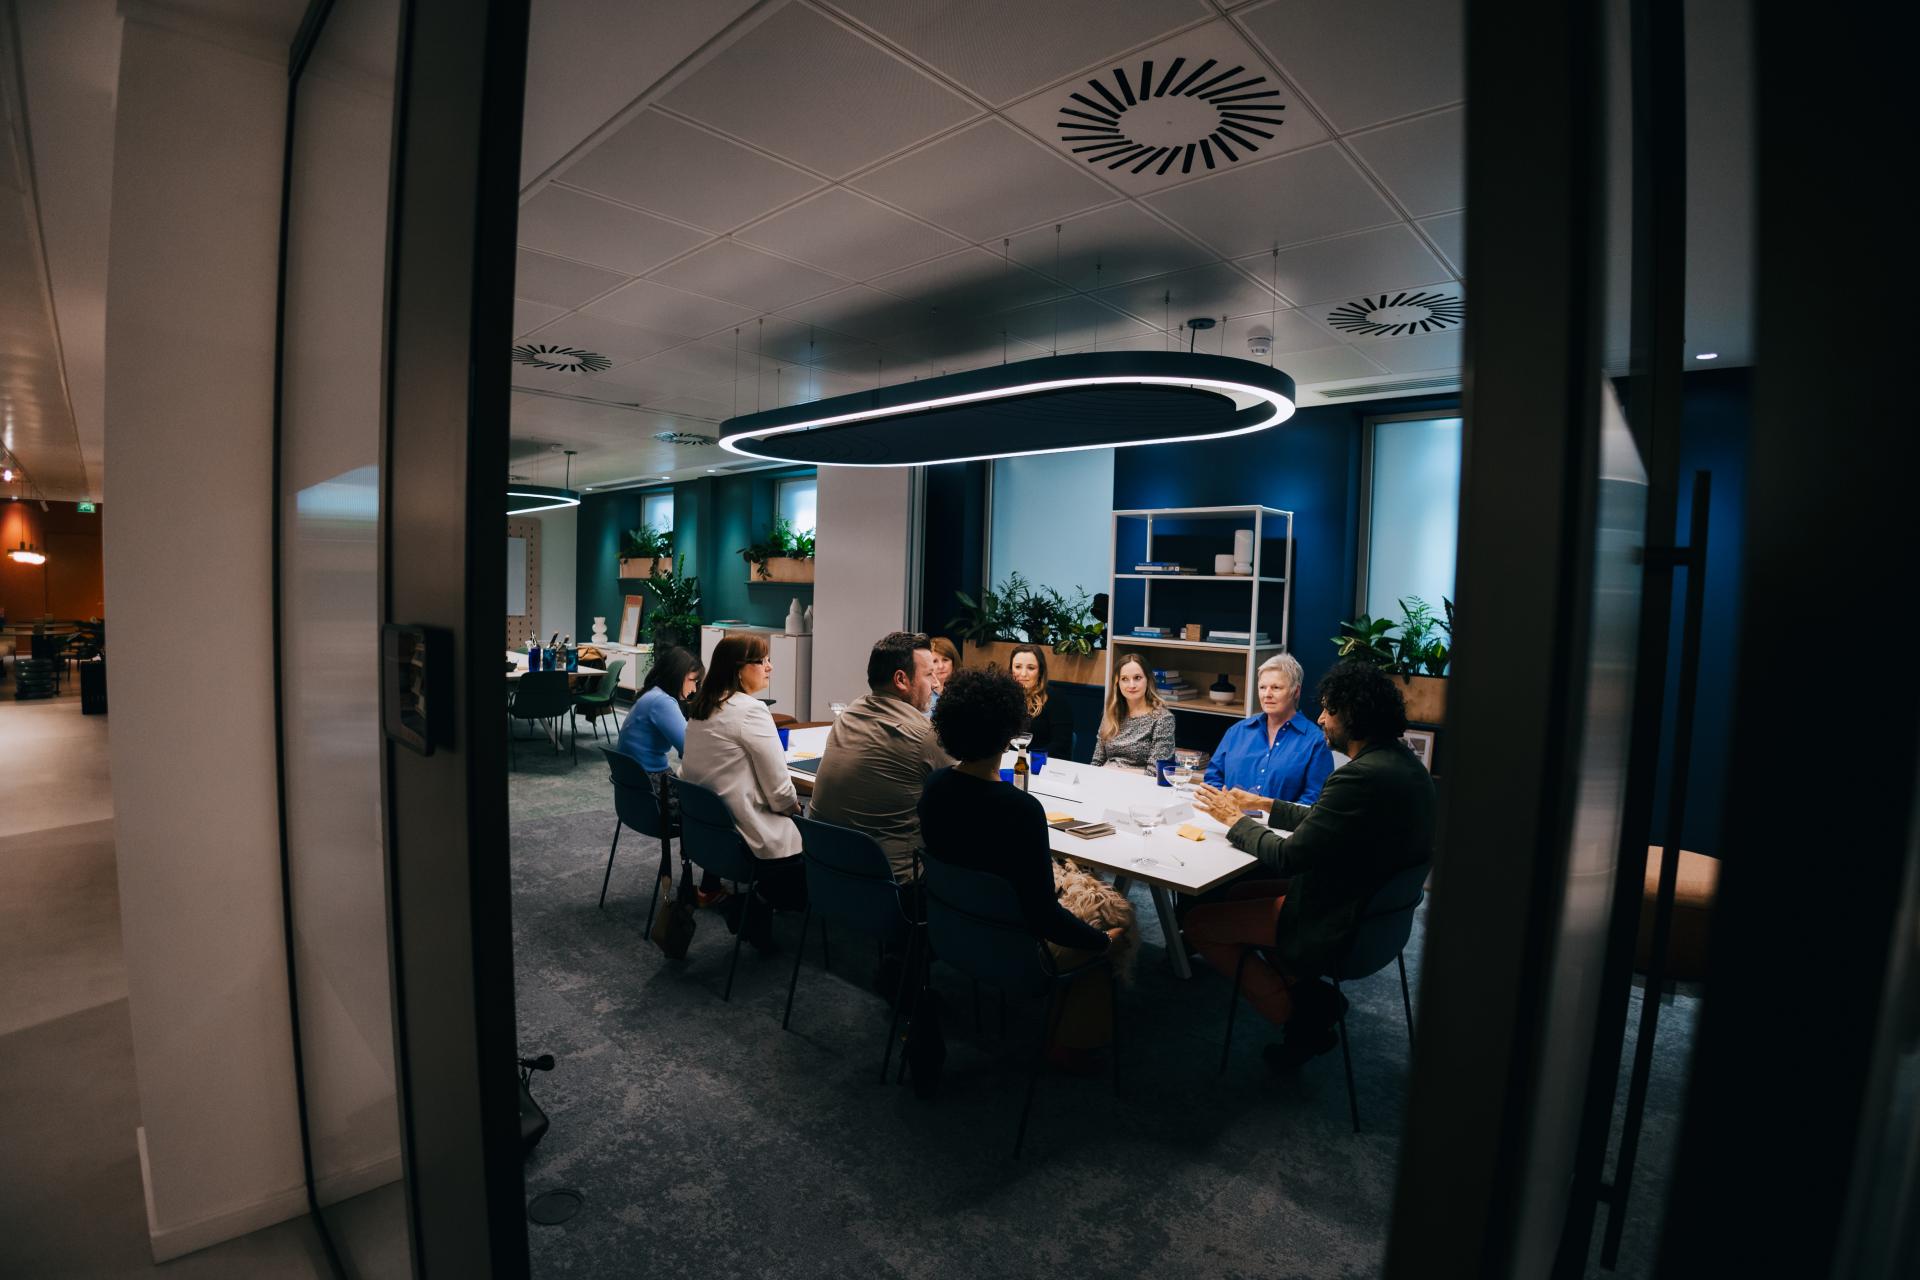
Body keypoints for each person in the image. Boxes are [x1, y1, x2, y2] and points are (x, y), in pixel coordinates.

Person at [1188, 661, 1436, 1072]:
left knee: (1199, 924)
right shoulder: (1399, 765)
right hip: (1378, 911)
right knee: (1237, 894)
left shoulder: (1359, 777)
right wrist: (1266, 805)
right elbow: (1331, 821)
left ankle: (1303, 1019)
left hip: (1336, 916)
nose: (1321, 718)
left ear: (1352, 716)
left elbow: (1288, 857)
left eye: (1329, 710)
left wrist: (1234, 820)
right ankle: (1305, 989)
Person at [919, 667, 1124, 1062]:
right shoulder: (1021, 810)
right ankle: (1073, 1049)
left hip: (950, 933)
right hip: (1017, 954)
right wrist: (1103, 941)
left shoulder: (936, 786)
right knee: (1114, 923)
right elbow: (1045, 918)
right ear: (1010, 729)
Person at [682, 633, 805, 946]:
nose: (770, 667)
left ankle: (757, 899)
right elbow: (780, 792)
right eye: (762, 661)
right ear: (739, 669)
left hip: (710, 832)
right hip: (746, 837)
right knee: (820, 829)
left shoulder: (704, 706)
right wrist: (796, 811)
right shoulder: (751, 710)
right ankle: (759, 901)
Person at [808, 631, 951, 883]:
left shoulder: (848, 715)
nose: (936, 684)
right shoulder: (924, 737)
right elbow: (968, 792)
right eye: (929, 675)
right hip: (893, 887)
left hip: (825, 872)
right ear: (901, 679)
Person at [1202, 653, 1335, 808]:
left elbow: (1313, 800)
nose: (1267, 694)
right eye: (1262, 687)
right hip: (1229, 820)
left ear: (1296, 691)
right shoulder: (1237, 731)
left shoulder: (1316, 741)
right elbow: (1213, 779)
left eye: (1276, 688)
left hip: (1282, 829)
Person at [1090, 653, 1176, 770]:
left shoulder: (1163, 719)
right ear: (1117, 683)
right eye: (1124, 679)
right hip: (1107, 781)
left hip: (1140, 785)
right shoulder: (1111, 714)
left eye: (1137, 678)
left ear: (1148, 680)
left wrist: (1116, 771)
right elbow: (1096, 763)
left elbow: (1155, 773)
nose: (1131, 685)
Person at [1008, 643, 1073, 759]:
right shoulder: (1005, 697)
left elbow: (1061, 745)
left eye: (1031, 668)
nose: (1023, 674)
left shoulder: (1055, 698)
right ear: (1011, 669)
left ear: (1040, 671)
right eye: (1017, 667)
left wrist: (1030, 759)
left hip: (1043, 765)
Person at [926, 636, 960, 716]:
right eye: (935, 661)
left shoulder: (964, 690)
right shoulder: (922, 694)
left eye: (945, 660)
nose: (940, 666)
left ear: (954, 662)